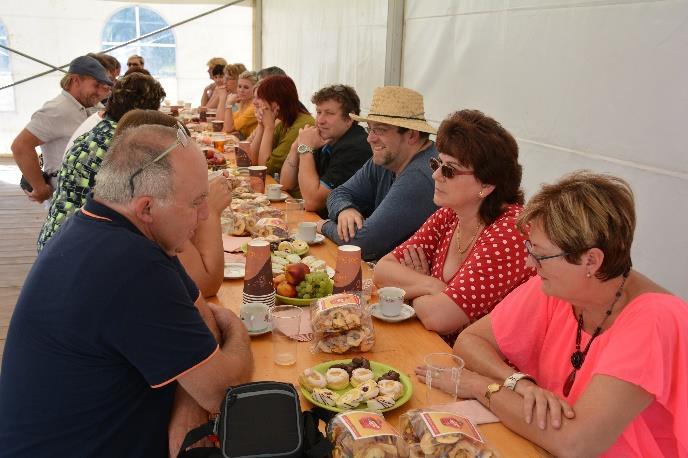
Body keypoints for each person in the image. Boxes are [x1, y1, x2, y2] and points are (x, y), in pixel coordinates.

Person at [0, 124, 254, 457]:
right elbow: (226, 392)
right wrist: (238, 327)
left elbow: (201, 315)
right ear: (146, 207)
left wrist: (187, 407)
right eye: (196, 203)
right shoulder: (131, 266)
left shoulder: (104, 224)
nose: (206, 215)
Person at [416, 171, 688, 457]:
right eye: (529, 248)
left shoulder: (655, 320)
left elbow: (575, 442)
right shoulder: (558, 288)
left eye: (540, 254)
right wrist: (517, 383)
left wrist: (482, 386)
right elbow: (470, 341)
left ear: (591, 260)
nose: (529, 263)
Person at [374, 110, 534, 344]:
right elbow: (382, 271)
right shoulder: (451, 214)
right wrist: (431, 284)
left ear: (487, 184)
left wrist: (414, 285)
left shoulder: (511, 231)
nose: (436, 175)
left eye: (450, 169)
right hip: (436, 349)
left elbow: (439, 317)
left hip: (483, 369)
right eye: (437, 163)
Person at [37, 73, 166, 251]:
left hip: (56, 237)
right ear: (146, 111)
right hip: (78, 247)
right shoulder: (124, 144)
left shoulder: (101, 126)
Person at [317, 86, 438, 261]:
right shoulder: (388, 158)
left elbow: (360, 244)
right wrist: (345, 209)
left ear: (411, 135)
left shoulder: (420, 175)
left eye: (380, 130)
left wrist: (324, 225)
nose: (370, 139)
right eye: (370, 129)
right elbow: (338, 193)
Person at [11, 55, 113, 203]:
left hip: (87, 193)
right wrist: (40, 187)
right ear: (75, 80)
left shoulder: (92, 106)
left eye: (103, 87)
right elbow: (20, 146)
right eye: (96, 85)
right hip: (65, 197)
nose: (100, 92)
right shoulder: (56, 110)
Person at [280, 84, 372, 218]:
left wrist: (305, 149)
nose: (320, 121)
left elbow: (312, 202)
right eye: (318, 112)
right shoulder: (326, 138)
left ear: (349, 119)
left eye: (329, 113)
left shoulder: (355, 147)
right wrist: (296, 146)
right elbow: (285, 184)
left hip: (343, 231)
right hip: (320, 223)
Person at [250, 75, 314, 176]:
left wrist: (268, 128)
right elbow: (252, 162)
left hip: (293, 191)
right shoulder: (284, 121)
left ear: (276, 104)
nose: (255, 102)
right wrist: (261, 125)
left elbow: (264, 168)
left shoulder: (301, 125)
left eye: (261, 98)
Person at [217, 70, 258, 139]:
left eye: (246, 87)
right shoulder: (243, 104)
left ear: (254, 90)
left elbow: (228, 128)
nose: (241, 90)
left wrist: (228, 104)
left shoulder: (254, 107)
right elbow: (225, 128)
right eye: (239, 86)